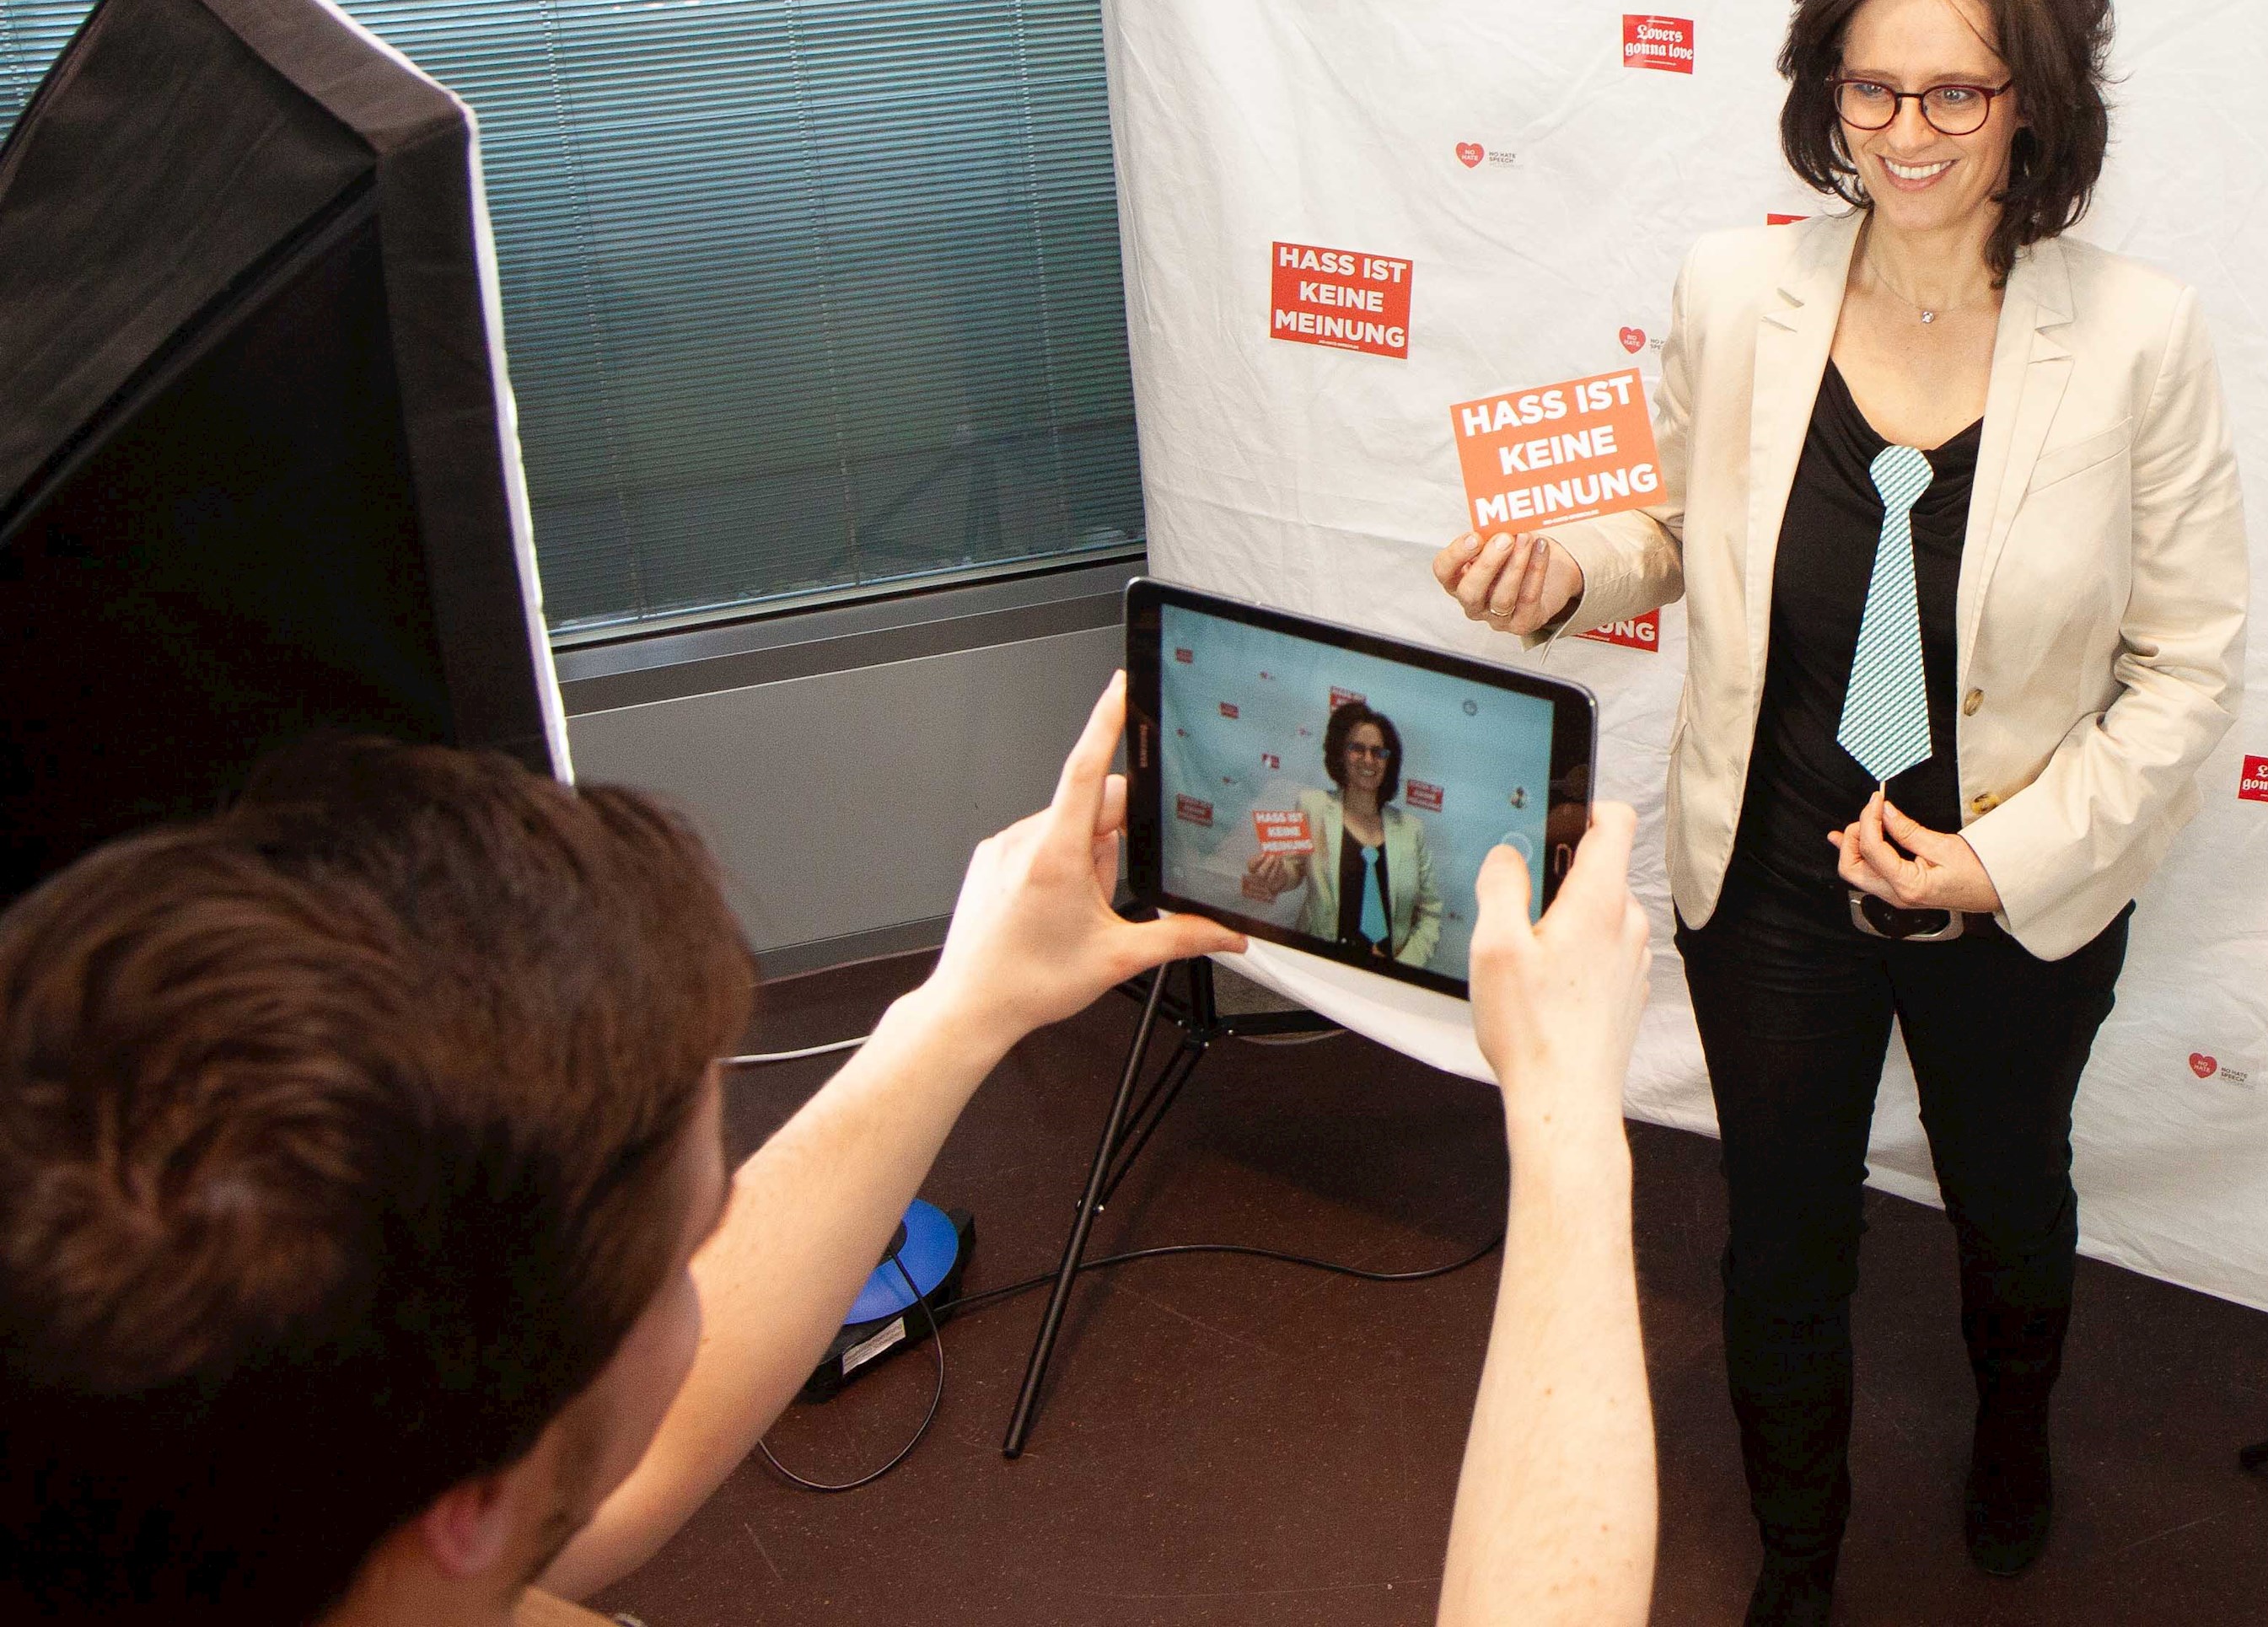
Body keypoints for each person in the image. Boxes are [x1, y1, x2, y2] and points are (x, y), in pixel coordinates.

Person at [0, 678, 1658, 1627]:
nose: (726, 1212)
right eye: (677, 1243)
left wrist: (958, 1008)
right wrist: (1570, 1120)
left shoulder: (271, 1516)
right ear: (472, 1489)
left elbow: (616, 1482)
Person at [1432, 0, 2249, 1622]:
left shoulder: (2133, 336)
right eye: (1869, 89)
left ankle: (2011, 1427)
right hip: (1776, 864)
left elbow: (2186, 666)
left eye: (1954, 91)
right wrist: (1560, 568)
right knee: (1778, 1238)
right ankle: (1795, 1557)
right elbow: (1656, 521)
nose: (1906, 131)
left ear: (2030, 99)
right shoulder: (1736, 291)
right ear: (1823, 93)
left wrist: (1995, 862)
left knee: (2009, 1192)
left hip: (2010, 887)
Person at [1245, 699, 1445, 966]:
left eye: (1379, 752)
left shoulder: (1412, 830)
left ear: (1389, 762)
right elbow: (1293, 869)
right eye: (1357, 749)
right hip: (1321, 962)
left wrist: (1403, 968)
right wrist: (1275, 874)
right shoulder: (1312, 806)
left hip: (1389, 971)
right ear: (1340, 753)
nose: (1368, 760)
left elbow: (1431, 912)